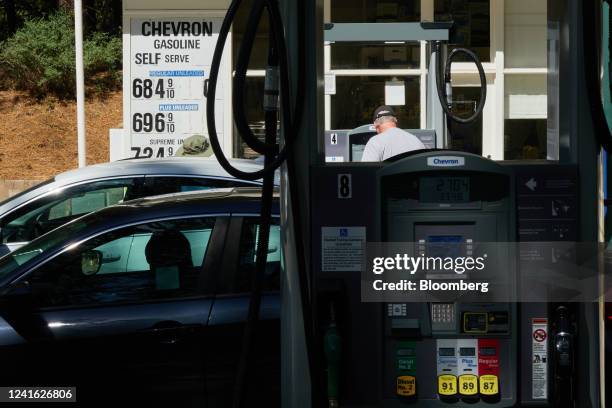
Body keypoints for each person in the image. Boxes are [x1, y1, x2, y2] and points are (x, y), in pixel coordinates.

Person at [361, 105, 426, 162]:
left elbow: (366, 173)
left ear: (375, 124)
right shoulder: (415, 140)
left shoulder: (375, 142)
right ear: (395, 120)